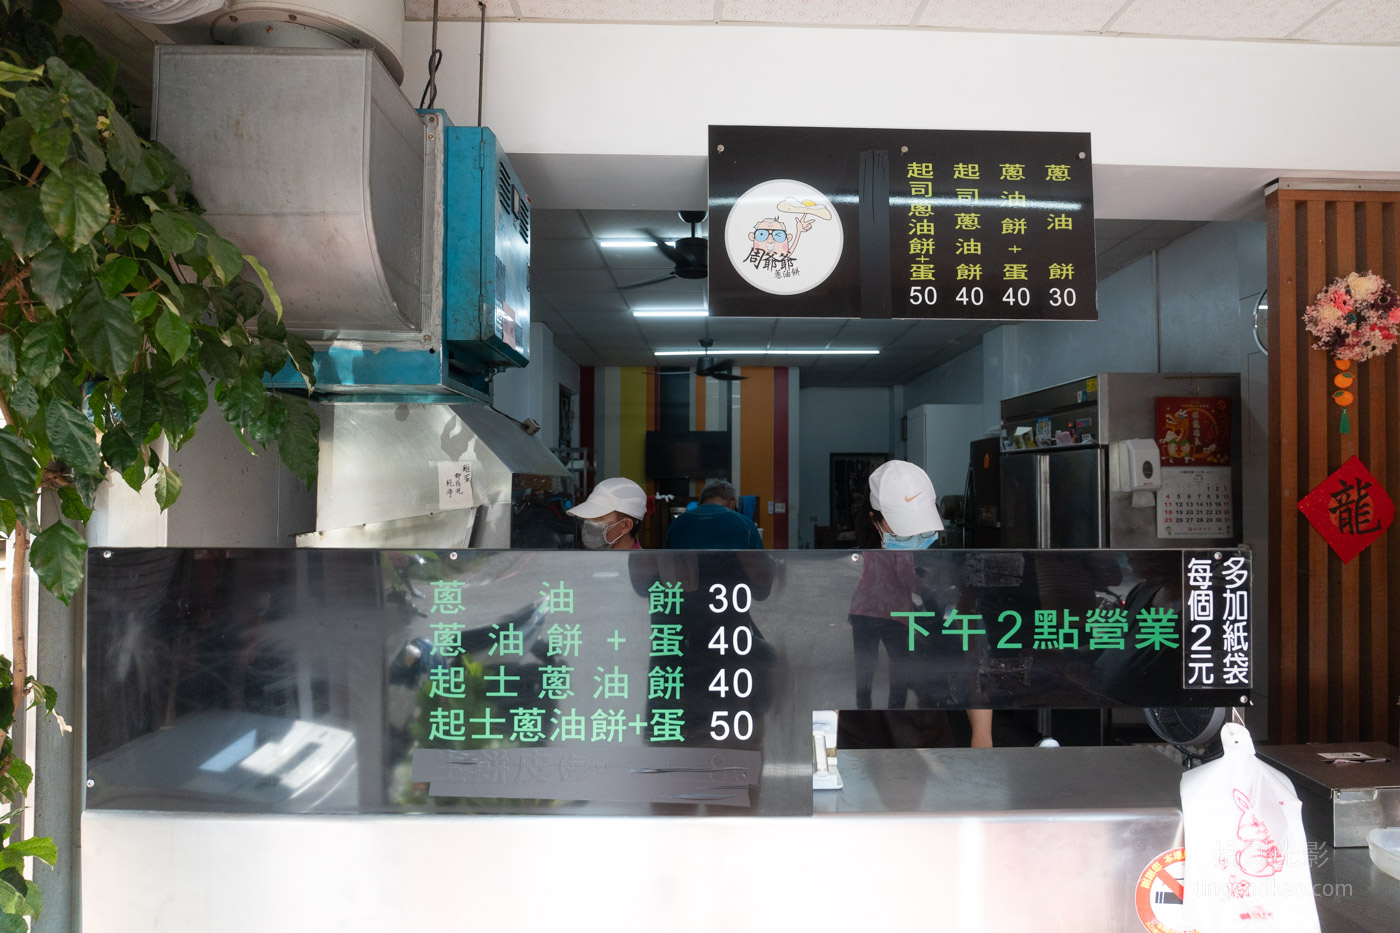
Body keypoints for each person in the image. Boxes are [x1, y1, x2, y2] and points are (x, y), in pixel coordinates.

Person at [839, 460, 994, 749]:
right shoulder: (861, 562)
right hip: (862, 739)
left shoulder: (938, 566)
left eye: (925, 532)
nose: (917, 541)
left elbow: (972, 665)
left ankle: (878, 704)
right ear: (875, 520)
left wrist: (982, 736)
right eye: (905, 532)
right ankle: (873, 705)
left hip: (924, 731)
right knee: (874, 668)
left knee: (879, 668)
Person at [663, 480, 764, 550]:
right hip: (732, 581)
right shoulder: (745, 523)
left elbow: (664, 563)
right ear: (733, 503)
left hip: (686, 581)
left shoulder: (677, 523)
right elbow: (761, 569)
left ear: (699, 504)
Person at [567, 477, 646, 550]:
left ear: (626, 526)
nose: (587, 525)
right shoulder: (583, 560)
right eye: (586, 518)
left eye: (597, 518)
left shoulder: (642, 565)